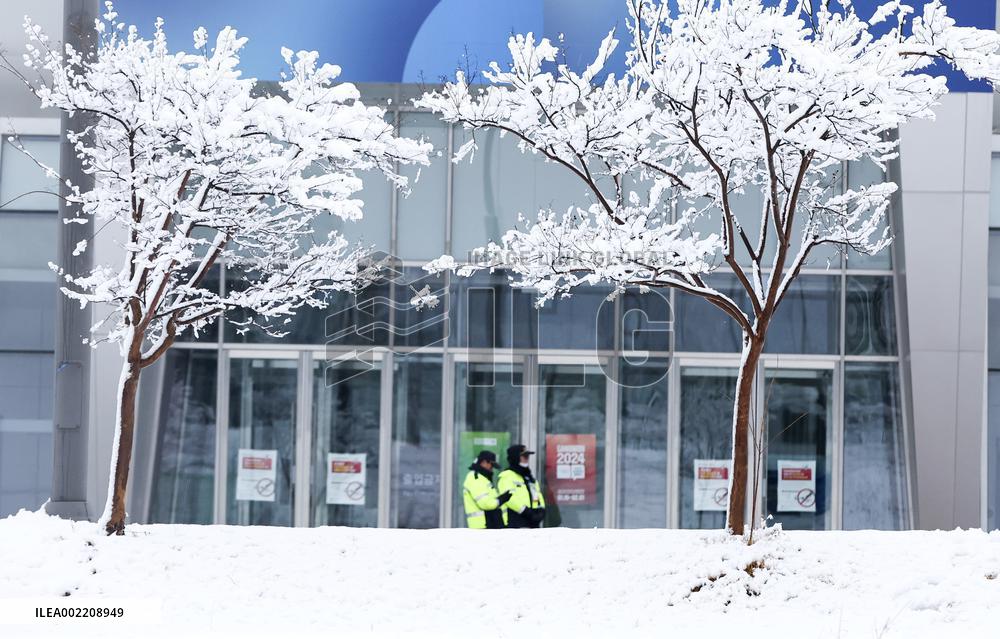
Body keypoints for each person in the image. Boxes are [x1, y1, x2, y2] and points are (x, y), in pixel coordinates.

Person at [498, 444, 546, 528]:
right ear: (515, 457)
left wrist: (541, 510)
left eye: (528, 456)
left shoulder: (529, 477)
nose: (527, 458)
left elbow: (537, 495)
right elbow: (509, 498)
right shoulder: (507, 476)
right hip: (515, 521)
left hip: (532, 522)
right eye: (524, 456)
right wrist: (526, 511)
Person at [462, 450, 510, 529]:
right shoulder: (475, 478)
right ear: (483, 462)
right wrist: (502, 499)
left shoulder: (482, 478)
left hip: (489, 526)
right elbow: (485, 503)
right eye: (491, 465)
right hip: (483, 527)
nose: (492, 469)